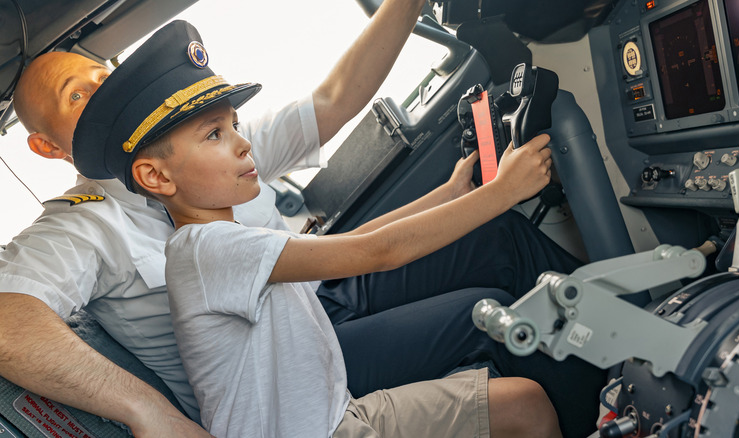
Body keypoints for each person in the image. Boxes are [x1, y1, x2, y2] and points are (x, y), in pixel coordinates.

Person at [1, 6, 606, 438]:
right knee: (489, 315)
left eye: (102, 70)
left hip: (314, 307)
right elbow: (7, 319)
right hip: (280, 389)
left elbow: (333, 114)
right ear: (48, 149)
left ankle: (621, 329)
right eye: (78, 95)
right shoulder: (91, 226)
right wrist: (150, 413)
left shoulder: (212, 158)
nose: (105, 87)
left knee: (495, 240)